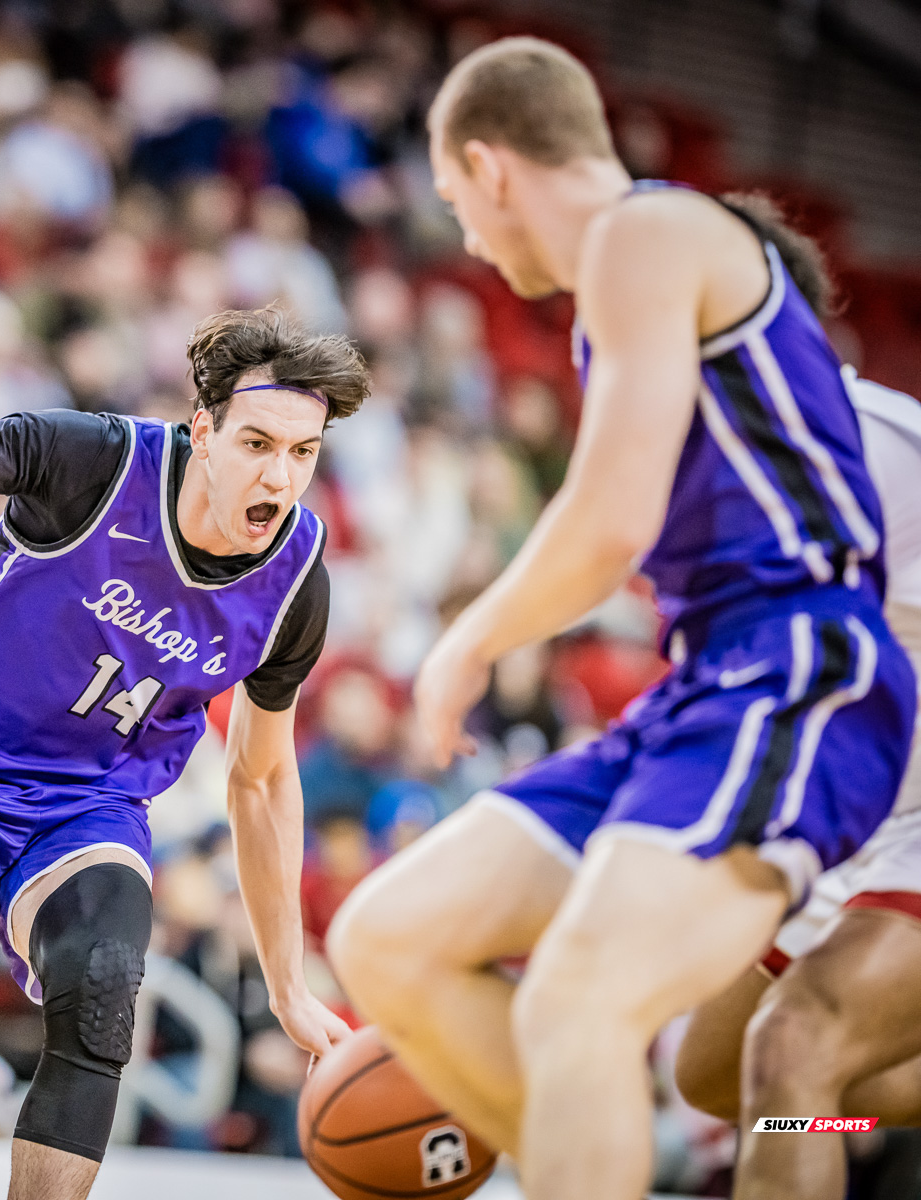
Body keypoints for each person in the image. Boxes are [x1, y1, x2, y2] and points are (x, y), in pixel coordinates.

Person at [323, 37, 915, 1200]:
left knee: (700, 1036)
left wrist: (468, 639)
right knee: (388, 941)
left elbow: (607, 518)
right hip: (717, 687)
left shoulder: (648, 234)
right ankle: (594, 1161)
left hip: (805, 676)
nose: (471, 243)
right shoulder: (632, 302)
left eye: (457, 203)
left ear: (492, 168)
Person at [0, 306, 366, 1200]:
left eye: (302, 454)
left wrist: (291, 987)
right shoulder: (94, 462)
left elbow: (261, 782)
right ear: (205, 431)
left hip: (88, 807)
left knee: (106, 980)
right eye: (259, 443)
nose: (281, 474)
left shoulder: (297, 580)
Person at [672, 370, 921, 1200]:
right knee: (723, 1080)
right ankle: (840, 1112)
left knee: (794, 1047)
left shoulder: (878, 441)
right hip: (861, 808)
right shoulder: (699, 457)